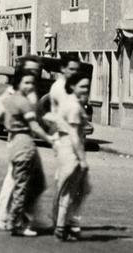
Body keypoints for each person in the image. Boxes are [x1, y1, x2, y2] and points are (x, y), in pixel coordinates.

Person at [0, 66, 55, 237]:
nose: (30, 86)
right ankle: (16, 221)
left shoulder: (10, 100)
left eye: (32, 83)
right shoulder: (23, 102)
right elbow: (34, 127)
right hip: (24, 144)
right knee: (23, 185)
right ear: (18, 83)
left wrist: (10, 121)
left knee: (35, 183)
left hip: (14, 143)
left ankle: (20, 218)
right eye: (26, 82)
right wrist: (51, 140)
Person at [45, 67, 93, 241]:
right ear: (72, 86)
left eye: (87, 87)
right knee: (70, 190)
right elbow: (74, 134)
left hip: (67, 148)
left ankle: (65, 223)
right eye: (82, 86)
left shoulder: (73, 103)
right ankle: (61, 226)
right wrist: (82, 159)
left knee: (79, 189)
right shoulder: (73, 105)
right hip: (70, 150)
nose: (85, 90)